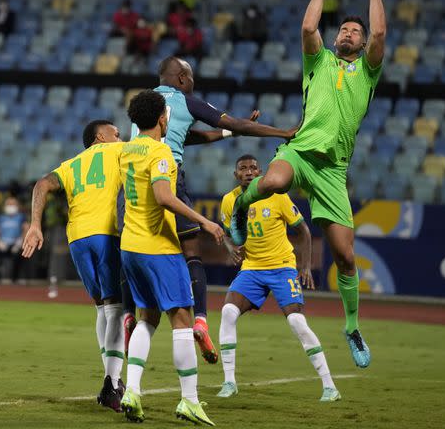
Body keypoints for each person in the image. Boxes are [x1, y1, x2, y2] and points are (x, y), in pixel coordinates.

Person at [228, 0, 386, 370]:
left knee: (347, 257)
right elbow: (307, 25)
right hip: (300, 152)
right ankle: (240, 213)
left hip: (333, 171)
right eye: (346, 30)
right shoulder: (317, 61)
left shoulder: (368, 72)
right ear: (336, 40)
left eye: (357, 31)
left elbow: (382, 35)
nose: (351, 33)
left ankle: (351, 327)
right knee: (274, 183)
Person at [122, 56, 296, 366]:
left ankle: (128, 313)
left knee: (135, 248)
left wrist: (233, 133)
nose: (192, 83)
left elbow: (187, 136)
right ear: (181, 78)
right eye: (190, 77)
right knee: (192, 254)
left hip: (133, 182)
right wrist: (280, 132)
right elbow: (230, 121)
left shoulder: (145, 107)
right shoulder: (185, 100)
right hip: (167, 175)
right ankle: (200, 320)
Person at [118, 90, 223, 425]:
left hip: (130, 246)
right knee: (181, 318)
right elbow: (164, 197)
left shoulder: (126, 150)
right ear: (163, 118)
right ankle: (189, 400)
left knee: (147, 319)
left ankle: (132, 390)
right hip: (158, 247)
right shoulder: (160, 152)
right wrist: (204, 220)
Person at [217, 155, 340, 402]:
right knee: (228, 312)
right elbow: (229, 233)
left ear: (261, 172)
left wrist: (304, 266)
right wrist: (230, 248)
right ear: (235, 175)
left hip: (282, 268)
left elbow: (303, 230)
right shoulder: (229, 201)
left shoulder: (277, 196)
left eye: (253, 167)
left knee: (296, 322)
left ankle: (329, 386)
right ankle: (229, 382)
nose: (249, 172)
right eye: (243, 168)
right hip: (251, 269)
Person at [22, 120, 126, 412]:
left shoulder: (69, 164)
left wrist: (34, 225)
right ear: (100, 136)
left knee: (101, 307)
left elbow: (41, 184)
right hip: (107, 234)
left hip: (77, 238)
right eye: (116, 133)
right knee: (116, 305)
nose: (120, 137)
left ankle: (112, 380)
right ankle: (112, 382)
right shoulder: (119, 152)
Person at [0, 196, 28, 282]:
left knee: (22, 253)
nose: (10, 206)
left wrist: (20, 242)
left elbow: (26, 229)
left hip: (16, 245)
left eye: (13, 204)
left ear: (17, 206)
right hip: (3, 245)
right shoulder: (0, 218)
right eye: (9, 204)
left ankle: (14, 279)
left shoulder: (21, 217)